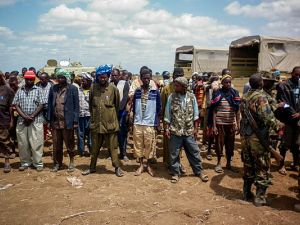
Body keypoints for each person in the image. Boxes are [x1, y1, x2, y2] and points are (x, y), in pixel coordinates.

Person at [240, 73, 281, 206]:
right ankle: (260, 197)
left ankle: (246, 193)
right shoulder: (261, 97)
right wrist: (279, 126)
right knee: (262, 165)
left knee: (248, 164)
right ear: (261, 83)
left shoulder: (245, 96)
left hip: (245, 136)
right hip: (258, 138)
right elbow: (268, 118)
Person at [82, 64, 124, 177]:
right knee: (94, 149)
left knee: (113, 148)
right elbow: (91, 106)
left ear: (108, 76)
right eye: (100, 77)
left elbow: (116, 105)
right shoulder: (93, 88)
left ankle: (117, 168)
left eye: (104, 77)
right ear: (98, 77)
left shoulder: (113, 89)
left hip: (110, 124)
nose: (102, 79)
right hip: (96, 124)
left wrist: (111, 118)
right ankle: (92, 168)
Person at [164, 77, 208, 183]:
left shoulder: (192, 97)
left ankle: (199, 171)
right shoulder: (171, 97)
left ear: (184, 86)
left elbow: (196, 115)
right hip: (175, 130)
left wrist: (196, 129)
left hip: (188, 130)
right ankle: (175, 173)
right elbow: (167, 114)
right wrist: (166, 128)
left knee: (194, 152)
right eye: (175, 85)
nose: (175, 87)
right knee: (174, 153)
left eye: (177, 85)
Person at [12, 70, 46, 171]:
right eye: (28, 79)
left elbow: (42, 104)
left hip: (36, 120)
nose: (30, 81)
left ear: (34, 80)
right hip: (22, 121)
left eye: (31, 79)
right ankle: (25, 162)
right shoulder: (20, 90)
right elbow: (16, 104)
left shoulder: (39, 90)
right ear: (25, 79)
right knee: (23, 143)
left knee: (37, 142)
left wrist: (31, 116)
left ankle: (38, 163)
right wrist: (24, 116)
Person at [47, 69, 79, 172]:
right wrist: (49, 120)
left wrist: (75, 121)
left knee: (69, 143)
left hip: (67, 121)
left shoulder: (73, 89)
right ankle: (57, 164)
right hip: (55, 122)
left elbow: (76, 106)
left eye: (63, 77)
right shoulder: (53, 88)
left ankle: (71, 162)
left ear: (66, 78)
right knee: (56, 145)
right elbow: (50, 105)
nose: (60, 79)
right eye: (59, 77)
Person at [132, 68, 161, 176]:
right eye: (144, 78)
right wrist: (133, 122)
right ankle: (140, 165)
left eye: (148, 78)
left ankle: (148, 165)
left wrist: (157, 123)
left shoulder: (155, 92)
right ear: (141, 79)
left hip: (149, 123)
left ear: (151, 78)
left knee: (149, 145)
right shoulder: (137, 92)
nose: (146, 80)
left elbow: (158, 109)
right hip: (138, 123)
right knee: (138, 145)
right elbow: (134, 108)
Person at [210, 73, 241, 173]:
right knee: (219, 143)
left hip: (231, 124)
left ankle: (228, 163)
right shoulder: (217, 93)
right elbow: (214, 111)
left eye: (229, 82)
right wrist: (214, 126)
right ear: (222, 83)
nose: (228, 84)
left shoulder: (235, 93)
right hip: (219, 123)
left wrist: (238, 124)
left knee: (230, 145)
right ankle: (218, 163)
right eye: (226, 82)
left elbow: (237, 110)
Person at [276, 66, 300, 172]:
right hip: (287, 119)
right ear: (292, 73)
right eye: (296, 74)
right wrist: (292, 112)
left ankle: (296, 163)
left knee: (297, 143)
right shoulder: (284, 85)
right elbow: (282, 102)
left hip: (298, 120)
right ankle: (281, 165)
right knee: (285, 143)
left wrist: (299, 114)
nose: (298, 77)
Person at [161, 68, 184, 167]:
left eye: (180, 76)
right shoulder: (166, 89)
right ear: (173, 76)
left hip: (182, 121)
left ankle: (177, 163)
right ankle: (169, 162)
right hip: (169, 120)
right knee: (168, 142)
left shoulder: (186, 89)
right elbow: (163, 105)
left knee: (179, 143)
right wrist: (164, 122)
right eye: (176, 76)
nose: (178, 78)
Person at [111, 68, 130, 161]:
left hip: (121, 112)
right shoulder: (109, 84)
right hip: (111, 113)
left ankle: (123, 153)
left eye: (116, 75)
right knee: (112, 134)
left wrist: (118, 109)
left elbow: (125, 98)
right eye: (112, 75)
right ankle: (113, 153)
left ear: (119, 75)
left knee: (122, 133)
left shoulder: (124, 84)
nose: (114, 77)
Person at [0, 71, 15, 173]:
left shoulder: (7, 90)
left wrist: (12, 120)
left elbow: (11, 108)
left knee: (4, 140)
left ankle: (7, 161)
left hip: (3, 120)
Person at [77, 72, 93, 156]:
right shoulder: (78, 91)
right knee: (80, 135)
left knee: (90, 135)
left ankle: (91, 150)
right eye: (82, 80)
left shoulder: (93, 91)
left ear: (89, 81)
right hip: (80, 116)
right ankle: (81, 151)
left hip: (90, 116)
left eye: (84, 80)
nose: (82, 82)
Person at [36, 72, 53, 141]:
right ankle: (43, 139)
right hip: (40, 108)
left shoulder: (52, 86)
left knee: (50, 124)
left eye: (43, 79)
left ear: (47, 79)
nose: (41, 81)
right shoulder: (37, 86)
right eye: (40, 79)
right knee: (41, 124)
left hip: (49, 108)